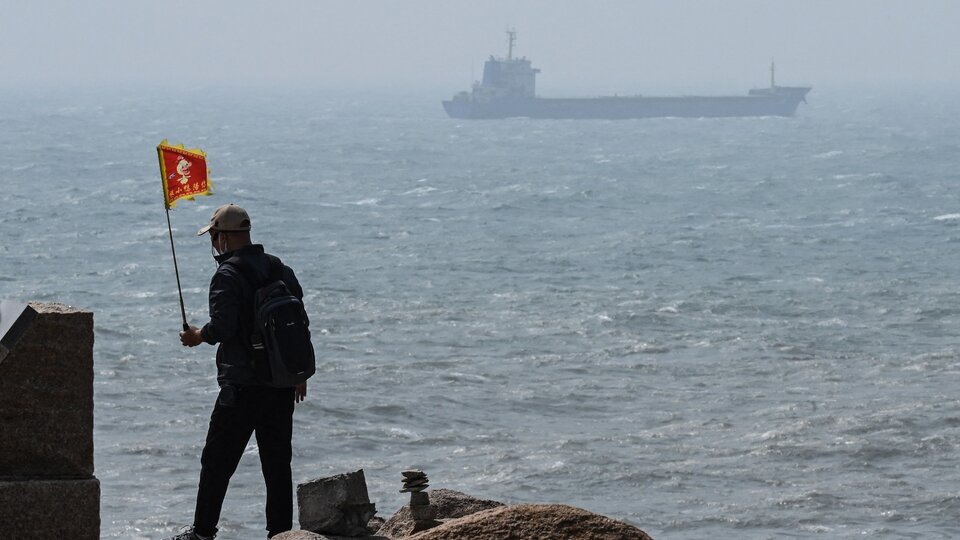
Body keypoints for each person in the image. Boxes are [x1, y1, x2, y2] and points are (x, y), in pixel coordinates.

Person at [167, 203, 308, 540]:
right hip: (280, 383)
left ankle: (202, 533)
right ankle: (280, 533)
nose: (214, 243)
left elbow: (224, 328)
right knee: (277, 465)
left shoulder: (227, 274)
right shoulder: (279, 268)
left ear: (226, 236)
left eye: (214, 236)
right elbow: (298, 322)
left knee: (217, 461)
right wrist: (298, 374)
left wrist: (198, 336)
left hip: (242, 386)